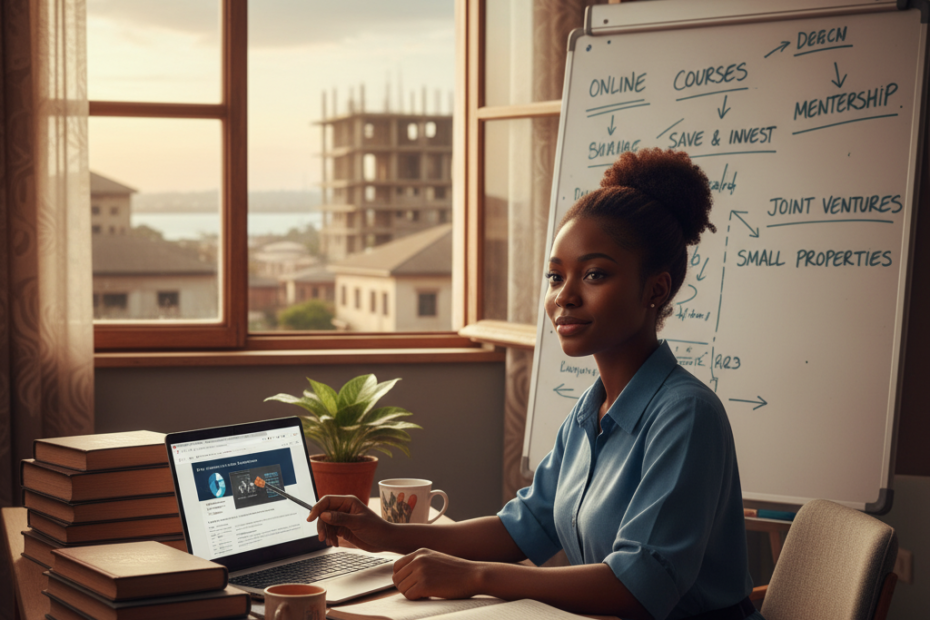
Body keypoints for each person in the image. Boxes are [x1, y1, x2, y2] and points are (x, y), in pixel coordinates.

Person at [307, 148, 761, 620]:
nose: (564, 296)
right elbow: (522, 527)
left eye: (594, 274)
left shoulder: (686, 415)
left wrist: (475, 575)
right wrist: (387, 533)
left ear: (656, 289)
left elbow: (639, 586)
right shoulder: (590, 413)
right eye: (555, 276)